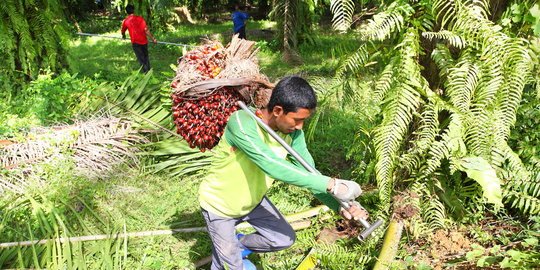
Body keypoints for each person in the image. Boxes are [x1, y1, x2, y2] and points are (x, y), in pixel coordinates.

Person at [198, 76, 369, 270]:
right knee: (230, 267)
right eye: (297, 120)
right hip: (220, 206)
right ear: (278, 110)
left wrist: (341, 206)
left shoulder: (293, 134)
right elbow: (269, 164)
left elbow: (310, 174)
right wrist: (331, 183)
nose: (300, 126)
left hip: (253, 202)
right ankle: (225, 259)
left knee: (283, 238)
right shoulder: (242, 122)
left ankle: (235, 246)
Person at [121, 4, 157, 73]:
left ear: (127, 12)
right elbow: (146, 30)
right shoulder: (140, 18)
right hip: (144, 41)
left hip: (136, 42)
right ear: (133, 10)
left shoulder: (126, 21)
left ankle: (146, 72)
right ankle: (148, 70)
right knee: (146, 56)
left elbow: (123, 31)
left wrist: (123, 36)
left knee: (141, 58)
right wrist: (153, 39)